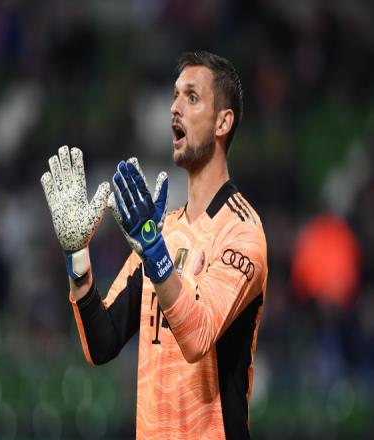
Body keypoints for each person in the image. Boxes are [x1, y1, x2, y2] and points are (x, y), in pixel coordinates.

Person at [41, 50, 268, 439]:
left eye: (192, 97)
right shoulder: (162, 231)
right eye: (175, 96)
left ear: (223, 122)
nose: (175, 108)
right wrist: (77, 256)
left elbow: (197, 337)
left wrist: (154, 251)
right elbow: (102, 342)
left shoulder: (241, 232)